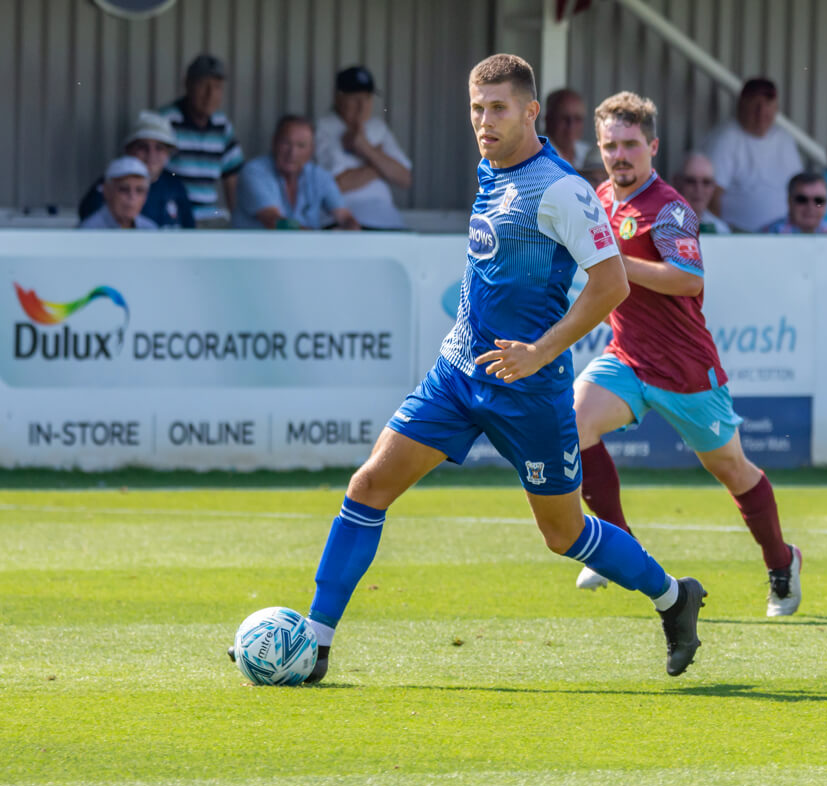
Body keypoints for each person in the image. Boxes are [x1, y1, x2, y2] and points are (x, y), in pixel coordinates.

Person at [231, 54, 706, 684]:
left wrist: (539, 351)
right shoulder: (489, 166)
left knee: (563, 534)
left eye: (498, 109)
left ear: (530, 112)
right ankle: (315, 643)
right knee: (369, 486)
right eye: (477, 108)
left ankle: (674, 597)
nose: (484, 121)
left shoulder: (560, 189)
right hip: (458, 372)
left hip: (529, 388)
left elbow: (611, 285)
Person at [573, 90, 801, 617]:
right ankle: (616, 548)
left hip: (687, 372)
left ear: (652, 146)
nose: (620, 155)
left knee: (733, 471)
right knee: (573, 423)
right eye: (611, 145)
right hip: (627, 357)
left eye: (631, 144)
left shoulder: (669, 208)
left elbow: (686, 278)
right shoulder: (601, 199)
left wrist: (615, 264)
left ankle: (781, 561)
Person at [315, 66, 413, 230]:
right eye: (355, 98)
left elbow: (404, 177)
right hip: (342, 221)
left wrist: (366, 149)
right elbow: (336, 185)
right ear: (339, 98)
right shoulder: (323, 128)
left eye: (367, 98)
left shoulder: (377, 127)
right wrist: (380, 162)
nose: (362, 106)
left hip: (387, 220)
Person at [700, 77, 803, 232]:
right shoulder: (724, 138)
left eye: (768, 104)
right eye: (755, 103)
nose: (761, 111)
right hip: (739, 236)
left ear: (776, 108)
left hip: (783, 234)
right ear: (741, 105)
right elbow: (710, 196)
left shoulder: (785, 139)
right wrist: (722, 235)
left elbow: (800, 189)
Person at [158, 54, 245, 226]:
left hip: (209, 214)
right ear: (188, 84)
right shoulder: (166, 121)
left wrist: (237, 224)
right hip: (172, 213)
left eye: (217, 87)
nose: (210, 94)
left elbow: (232, 178)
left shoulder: (222, 126)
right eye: (203, 85)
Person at [233, 115, 360, 230]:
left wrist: (350, 227)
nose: (292, 153)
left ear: (312, 150)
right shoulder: (254, 172)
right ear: (274, 142)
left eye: (301, 145)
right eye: (286, 143)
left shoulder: (318, 176)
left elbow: (344, 216)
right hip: (257, 253)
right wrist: (316, 238)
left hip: (305, 253)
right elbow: (274, 221)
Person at [78, 110, 194, 229]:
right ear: (128, 150)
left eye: (159, 148)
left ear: (168, 154)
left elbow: (189, 232)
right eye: (143, 147)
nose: (151, 155)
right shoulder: (112, 183)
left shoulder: (175, 186)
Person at [543, 88, 605, 184]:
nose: (571, 125)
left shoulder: (589, 153)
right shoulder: (537, 154)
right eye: (564, 118)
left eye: (577, 119)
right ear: (548, 120)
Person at [78, 157, 157, 229]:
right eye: (124, 189)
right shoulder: (89, 230)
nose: (132, 196)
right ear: (107, 191)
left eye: (139, 190)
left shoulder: (150, 228)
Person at [761, 172, 827, 233]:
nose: (810, 207)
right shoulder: (769, 234)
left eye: (819, 201)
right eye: (802, 200)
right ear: (789, 201)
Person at [672, 152, 730, 234]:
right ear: (677, 183)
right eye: (691, 181)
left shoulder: (720, 229)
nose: (699, 189)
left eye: (706, 182)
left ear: (713, 187)